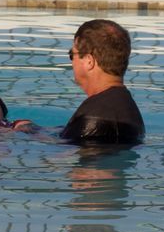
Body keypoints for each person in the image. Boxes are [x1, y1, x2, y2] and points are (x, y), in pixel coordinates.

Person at [61, 18, 145, 146]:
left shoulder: (94, 117)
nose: (72, 61)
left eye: (72, 54)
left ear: (89, 61)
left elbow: (64, 155)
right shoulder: (127, 108)